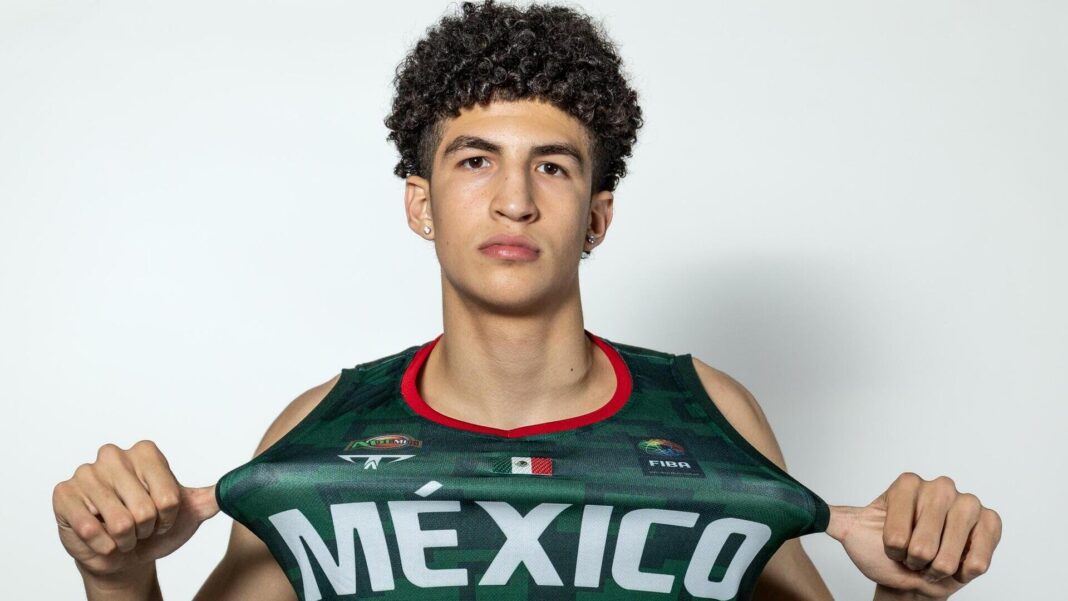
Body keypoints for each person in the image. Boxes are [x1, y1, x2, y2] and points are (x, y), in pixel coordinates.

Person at [52, 1, 1001, 600]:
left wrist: (910, 593)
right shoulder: (323, 426)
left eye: (552, 166)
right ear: (421, 204)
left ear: (596, 216)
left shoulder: (708, 412)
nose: (514, 199)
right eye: (476, 161)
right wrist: (116, 573)